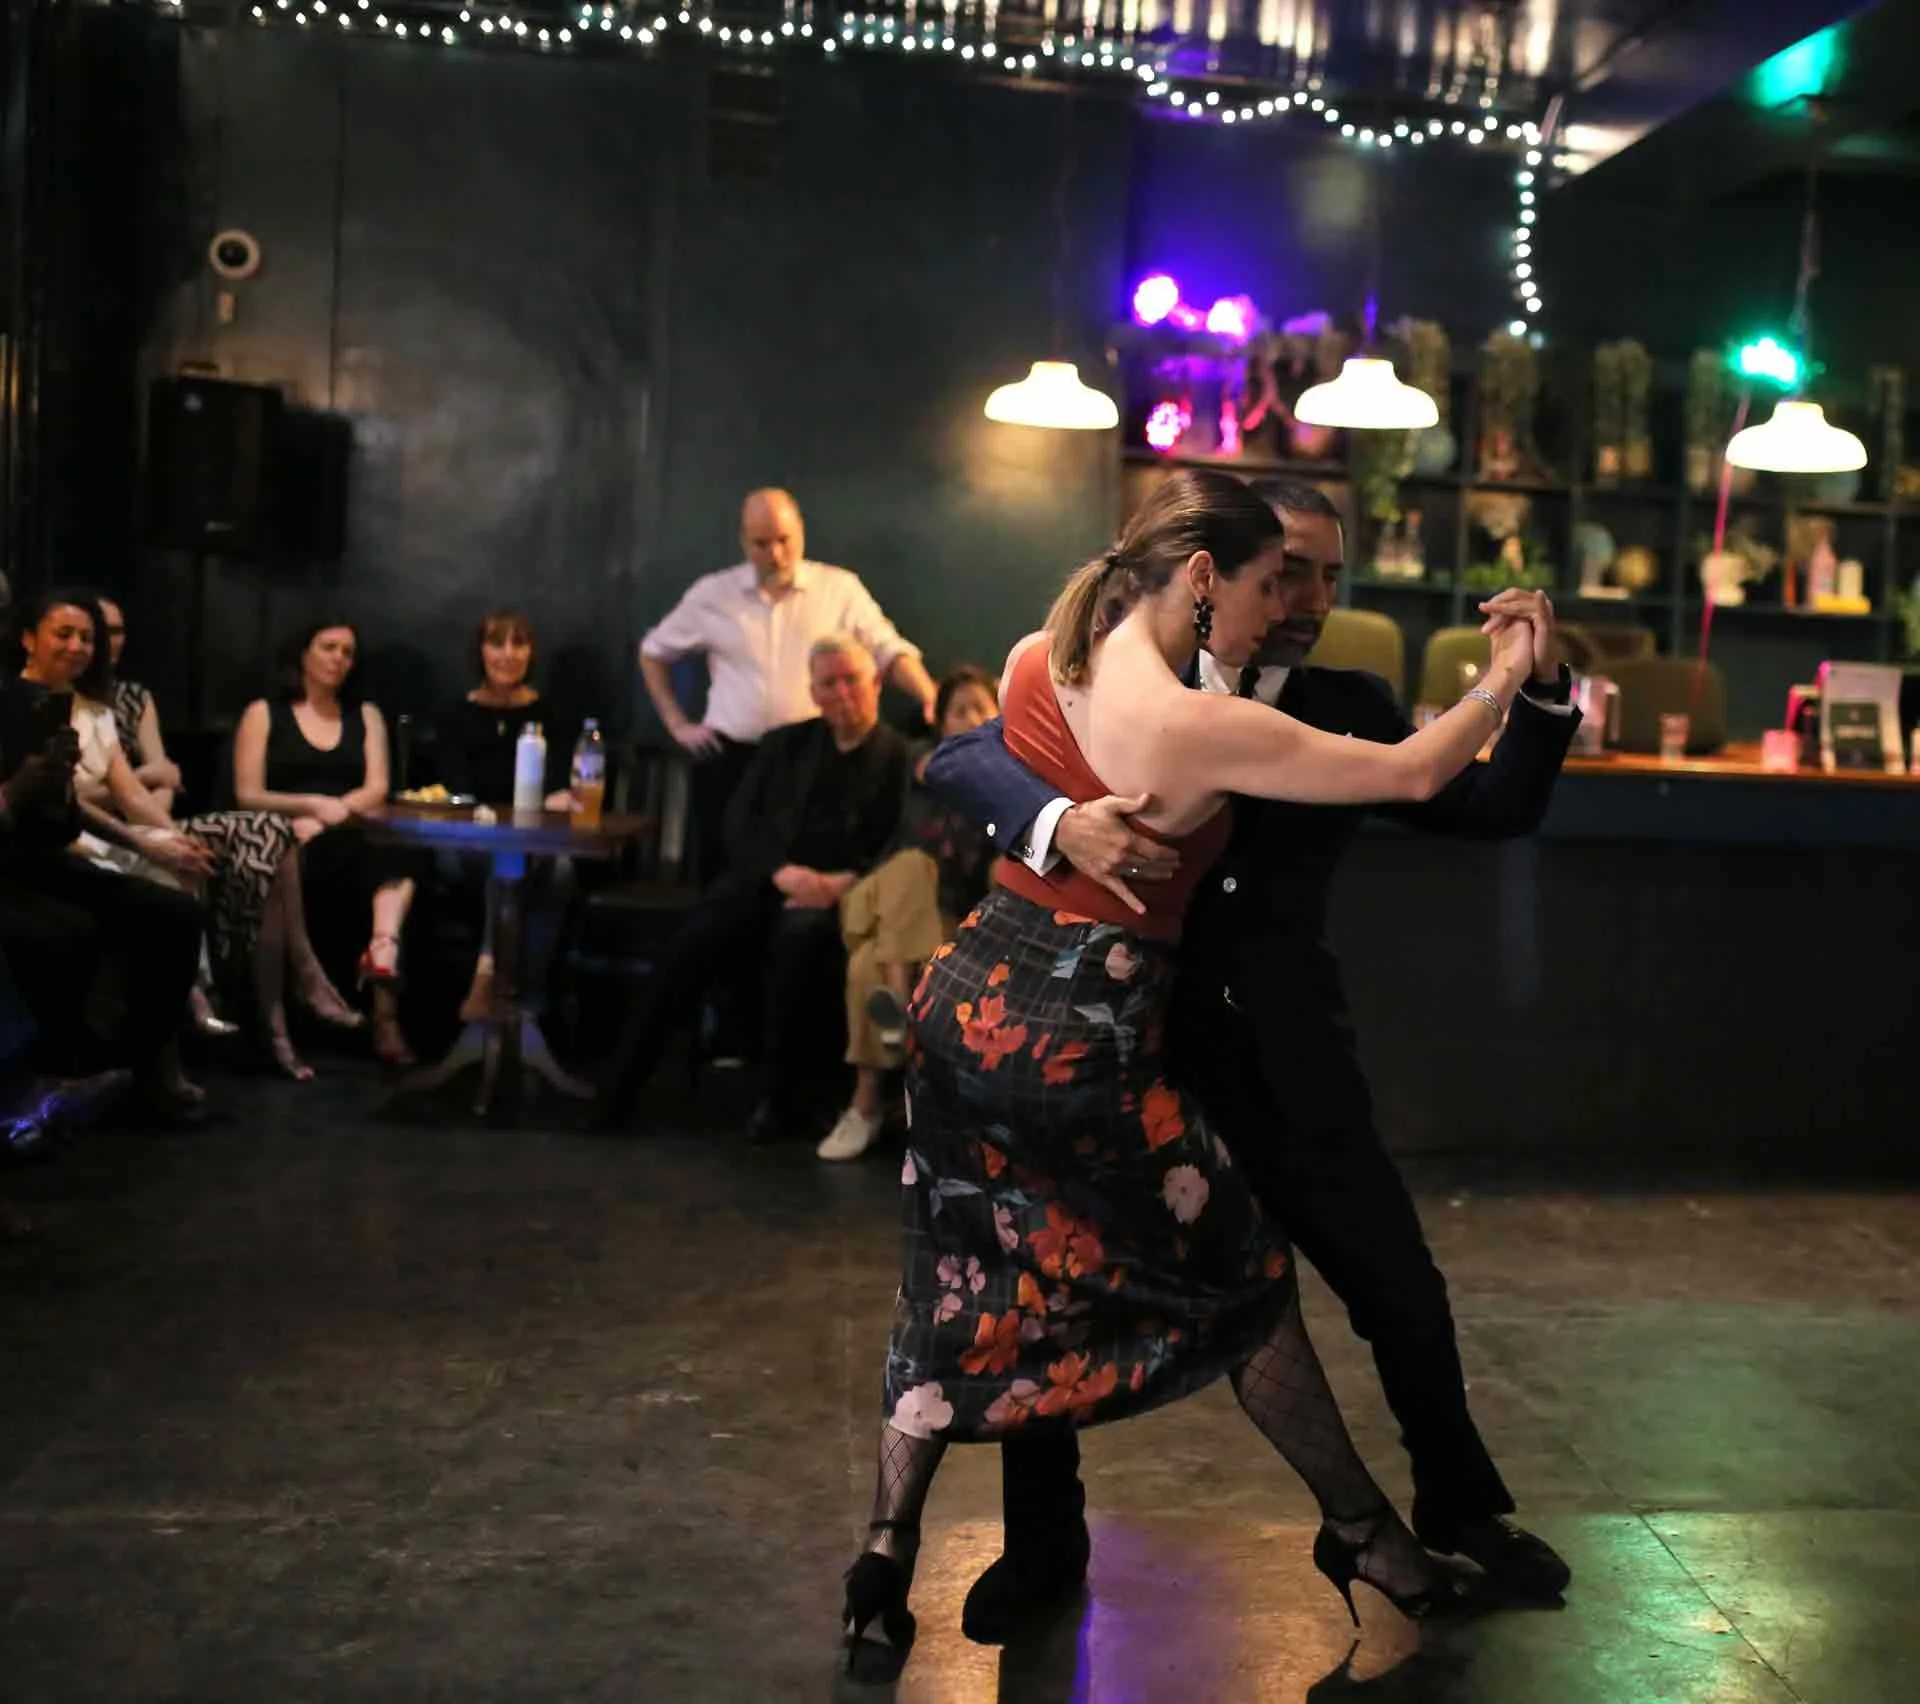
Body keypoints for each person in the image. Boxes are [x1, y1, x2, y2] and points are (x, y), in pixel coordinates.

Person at [837, 468, 1539, 1682]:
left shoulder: (1040, 652)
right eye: (1276, 580)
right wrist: (1509, 670)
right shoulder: (1198, 720)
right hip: (1084, 1033)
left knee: (960, 1282)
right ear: (1207, 576)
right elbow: (1421, 771)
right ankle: (1362, 1535)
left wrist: (1050, 823)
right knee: (1246, 1288)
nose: (1294, 605)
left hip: (975, 1008)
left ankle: (881, 1561)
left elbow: (1473, 802)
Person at [597, 633, 911, 1142]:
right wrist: (778, 872)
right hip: (770, 880)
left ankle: (778, 1101)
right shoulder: (787, 744)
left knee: (798, 940)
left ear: (876, 682)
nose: (842, 693)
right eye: (828, 683)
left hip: (849, 894)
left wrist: (840, 884)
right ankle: (618, 1090)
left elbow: (903, 841)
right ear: (813, 692)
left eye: (852, 679)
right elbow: (740, 824)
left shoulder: (900, 757)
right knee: (693, 939)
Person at [74, 594, 364, 1078]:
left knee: (272, 837)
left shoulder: (117, 702)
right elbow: (100, 792)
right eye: (84, 633)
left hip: (146, 822)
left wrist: (166, 828)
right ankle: (286, 994)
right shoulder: (40, 703)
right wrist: (149, 801)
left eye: (109, 632)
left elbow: (158, 785)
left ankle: (277, 1014)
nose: (99, 643)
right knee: (269, 836)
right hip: (97, 836)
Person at [638, 487, 937, 880]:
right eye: (761, 544)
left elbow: (889, 650)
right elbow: (652, 652)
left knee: (794, 884)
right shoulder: (713, 595)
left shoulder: (839, 589)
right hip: (731, 759)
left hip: (809, 762)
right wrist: (677, 724)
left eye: (784, 540)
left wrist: (931, 697)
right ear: (744, 541)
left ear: (801, 533)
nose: (775, 554)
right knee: (719, 880)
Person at [0, 674, 204, 1123]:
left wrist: (59, 783)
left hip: (38, 856)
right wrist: (14, 793)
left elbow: (61, 825)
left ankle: (149, 1068)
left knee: (172, 912)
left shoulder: (16, 704)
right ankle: (50, 1080)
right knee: (59, 933)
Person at [816, 664, 999, 1163]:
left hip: (933, 918)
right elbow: (936, 768)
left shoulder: (1010, 781)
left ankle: (865, 1105)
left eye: (981, 707)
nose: (971, 717)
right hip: (868, 900)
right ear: (940, 724)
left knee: (864, 967)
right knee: (915, 865)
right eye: (958, 710)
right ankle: (902, 1000)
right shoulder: (923, 761)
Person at [232, 621, 420, 1066]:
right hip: (288, 837)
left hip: (348, 830)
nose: (339, 659)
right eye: (329, 648)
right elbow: (248, 793)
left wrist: (333, 814)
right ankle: (377, 1006)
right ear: (304, 653)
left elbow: (377, 786)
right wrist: (311, 807)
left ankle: (383, 955)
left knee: (402, 850)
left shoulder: (365, 714)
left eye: (348, 652)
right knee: (358, 859)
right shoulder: (265, 712)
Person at [433, 609, 576, 1021]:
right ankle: (506, 991)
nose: (508, 654)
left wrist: (556, 800)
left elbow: (559, 791)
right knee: (505, 860)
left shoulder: (551, 716)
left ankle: (515, 1001)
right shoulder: (456, 716)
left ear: (531, 654)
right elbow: (458, 789)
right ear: (480, 652)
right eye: (497, 643)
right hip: (465, 844)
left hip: (538, 843)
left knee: (558, 870)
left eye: (519, 644)